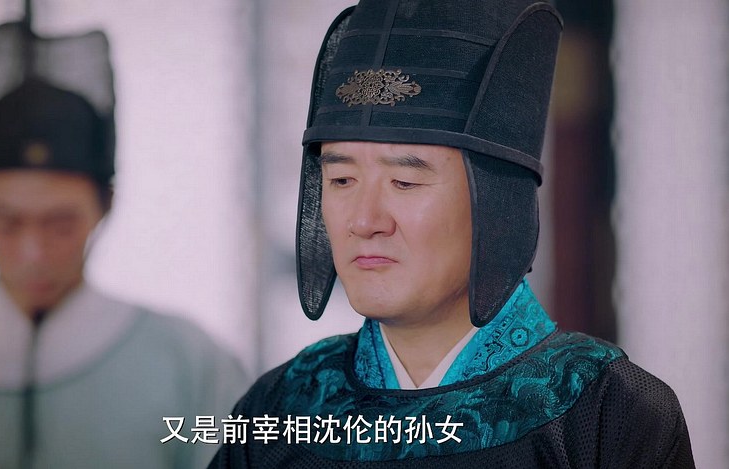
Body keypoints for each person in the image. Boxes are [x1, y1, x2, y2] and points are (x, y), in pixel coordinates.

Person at [210, 0, 694, 467]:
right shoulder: (282, 408)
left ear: (497, 201)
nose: (364, 221)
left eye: (405, 182)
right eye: (341, 180)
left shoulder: (607, 411)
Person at [0, 21, 246, 469]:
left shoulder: (189, 365)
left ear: (105, 205)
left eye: (60, 224)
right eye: (8, 222)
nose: (33, 253)